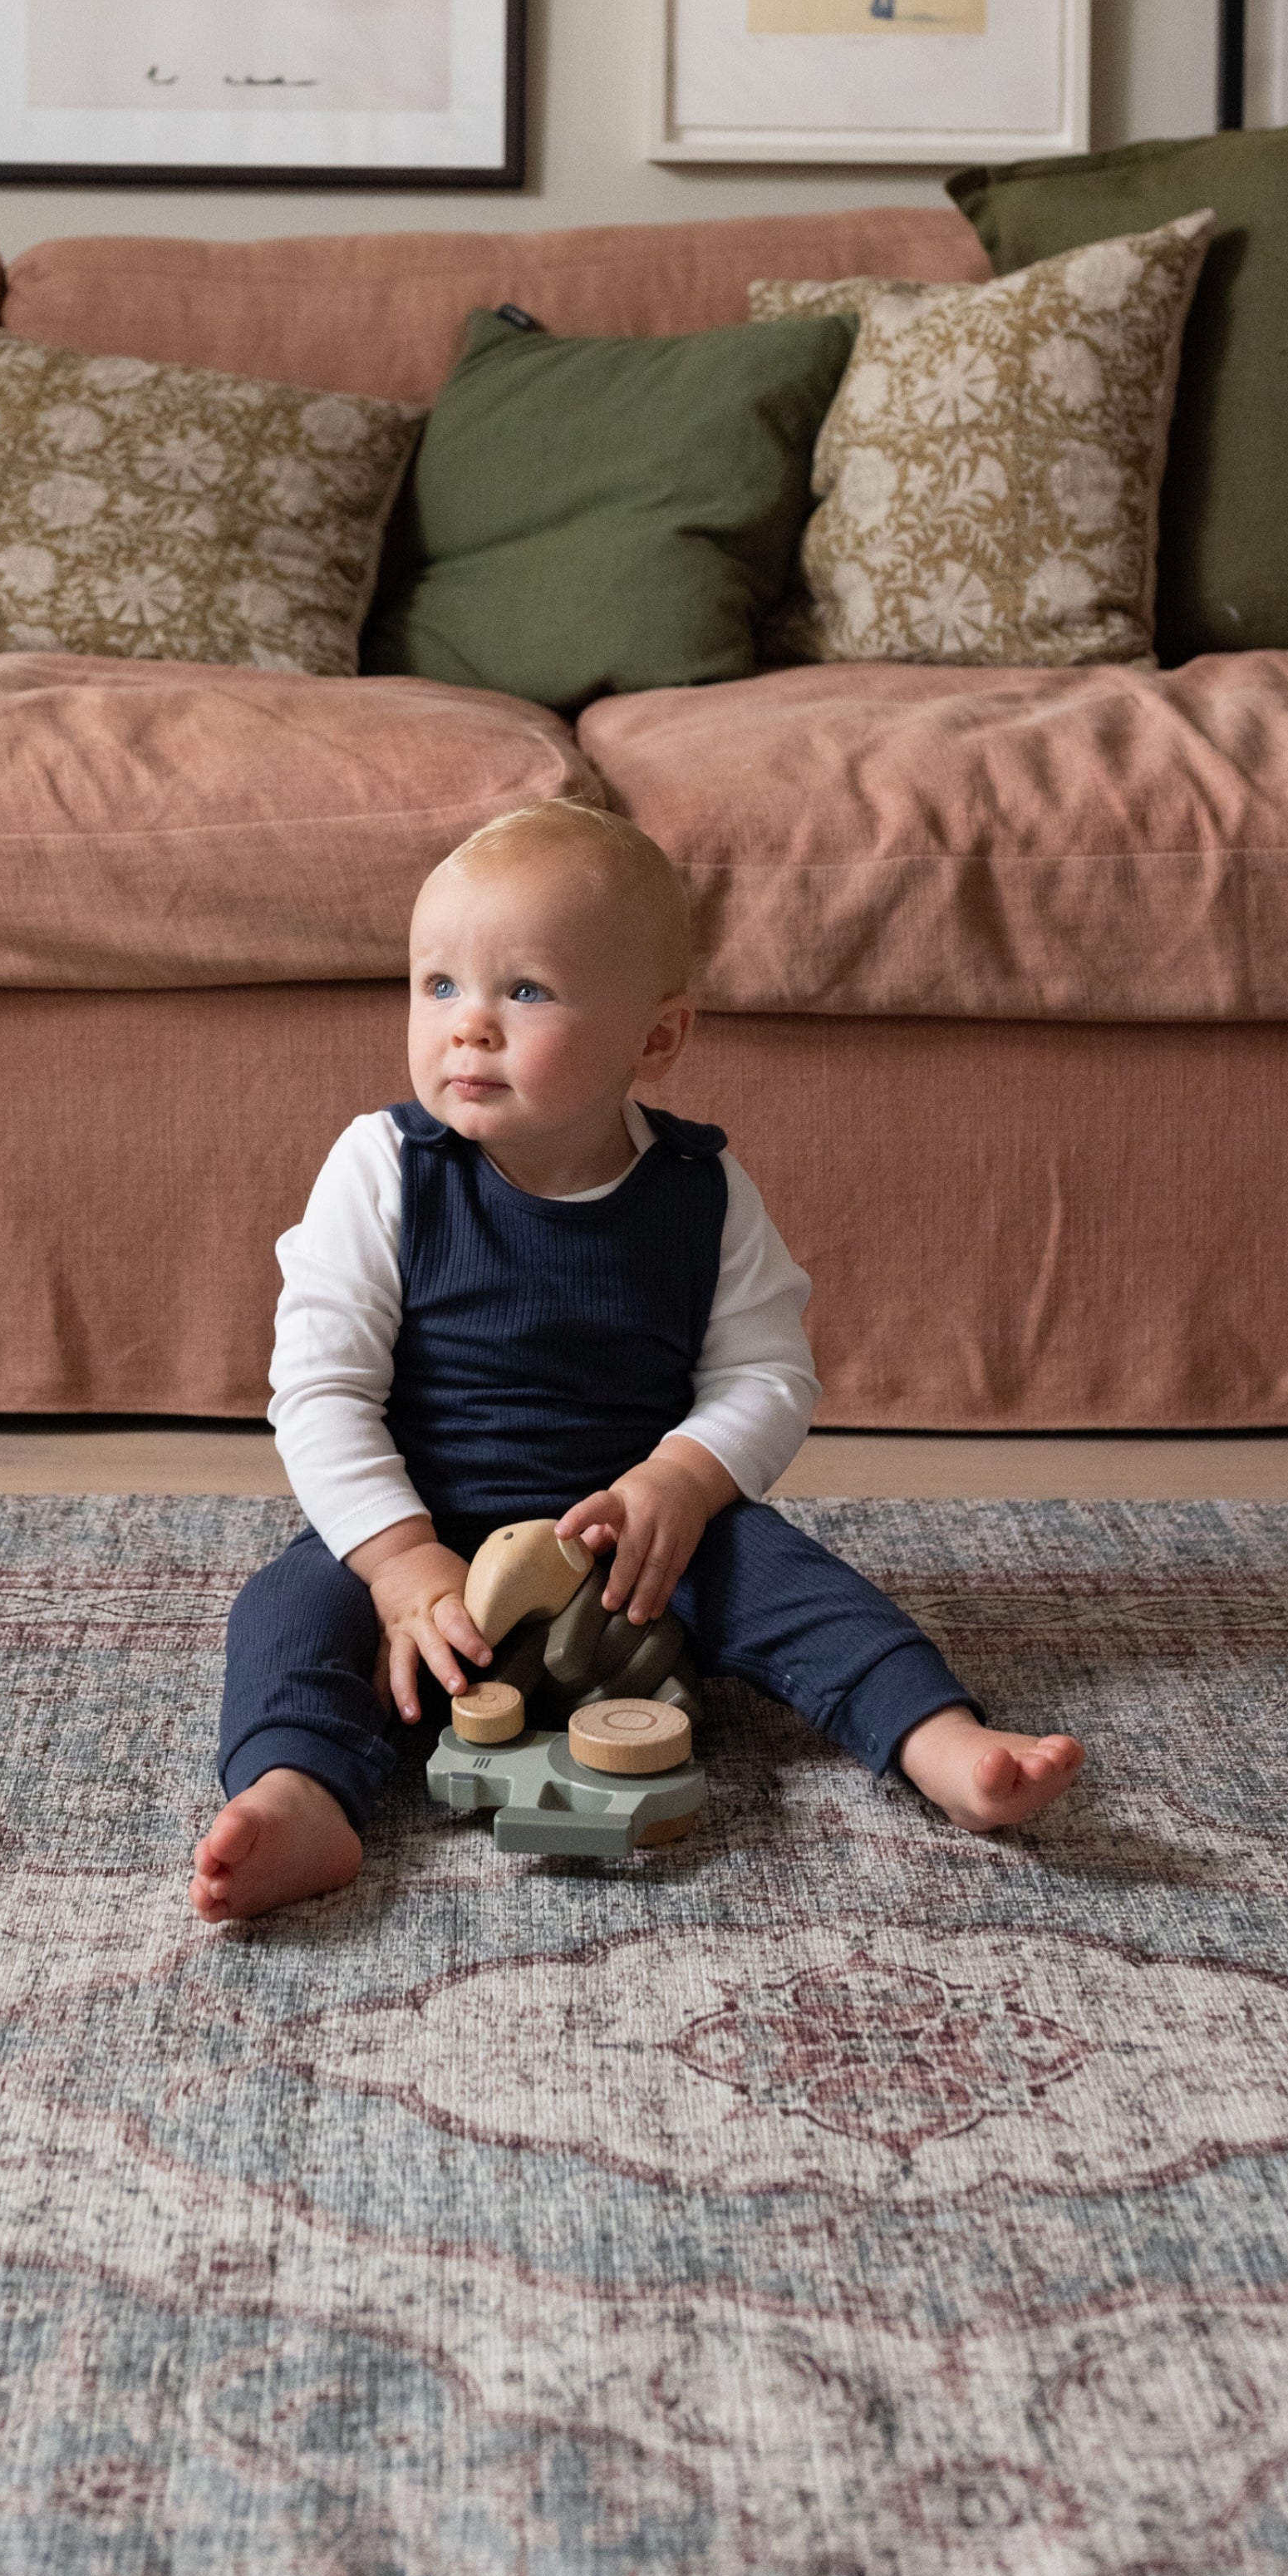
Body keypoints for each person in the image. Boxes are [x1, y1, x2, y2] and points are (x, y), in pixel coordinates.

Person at [189, 799, 1084, 1923]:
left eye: (525, 990)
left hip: (634, 1538)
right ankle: (299, 1793)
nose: (469, 1026)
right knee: (289, 1610)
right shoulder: (384, 1169)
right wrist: (399, 1562)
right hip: (425, 1522)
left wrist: (683, 1480)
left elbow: (766, 1374)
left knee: (794, 1581)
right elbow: (321, 1391)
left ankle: (937, 1738)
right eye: (439, 985)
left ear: (655, 1040)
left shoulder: (702, 1193)